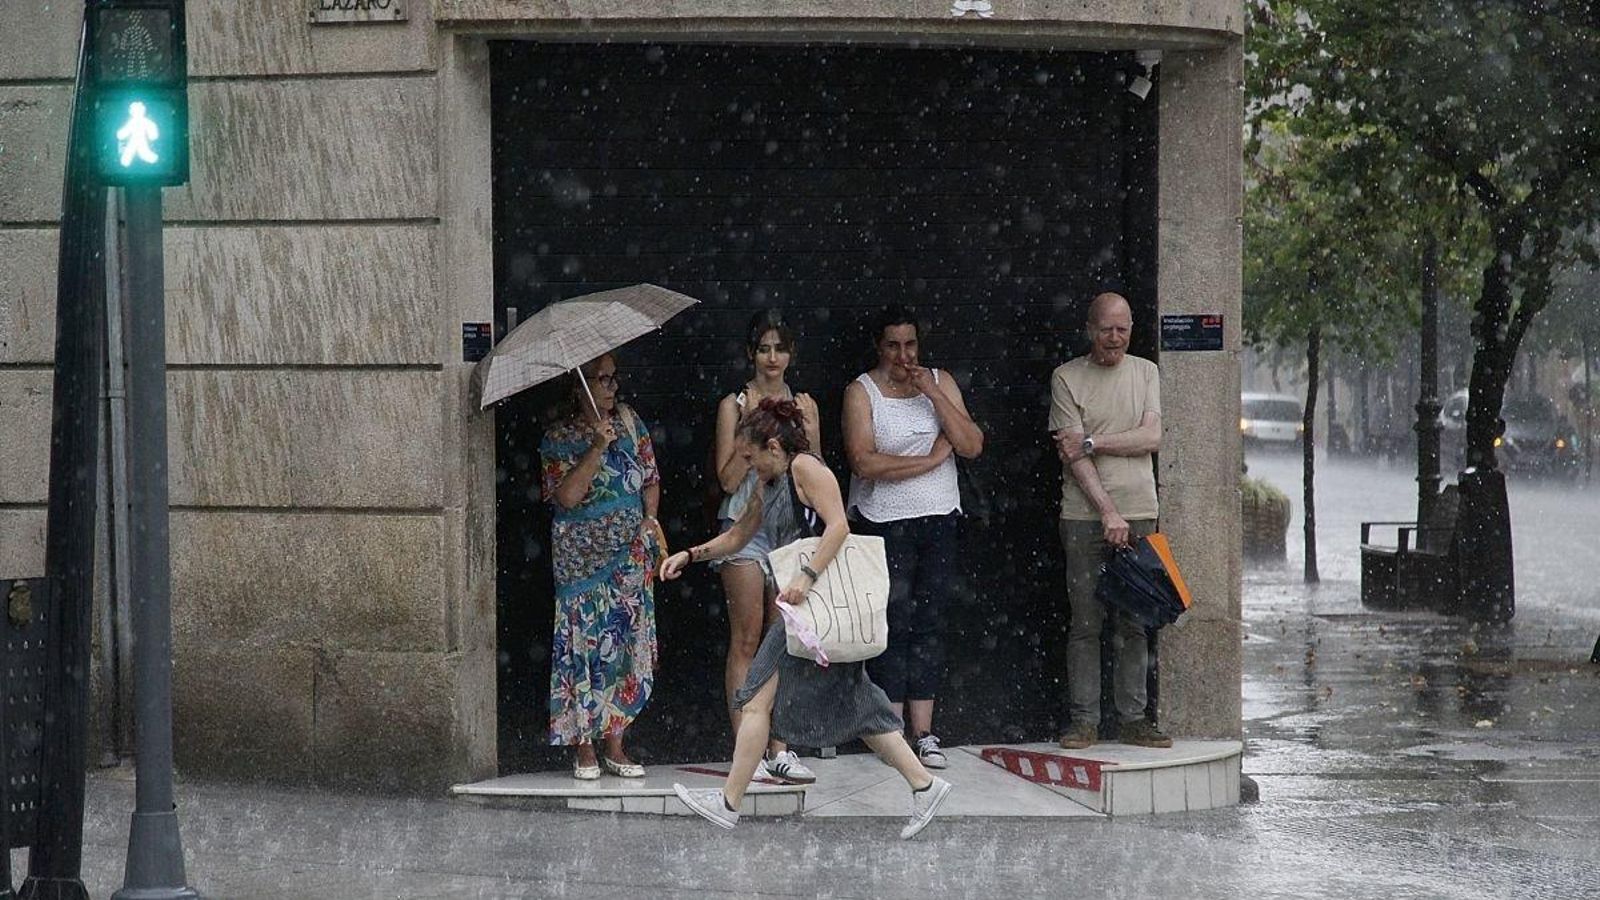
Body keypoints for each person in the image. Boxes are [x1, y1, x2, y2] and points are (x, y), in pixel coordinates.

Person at [661, 399, 953, 840]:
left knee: (756, 699)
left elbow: (838, 526)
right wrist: (690, 554)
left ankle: (728, 803)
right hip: (804, 612)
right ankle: (925, 785)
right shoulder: (769, 483)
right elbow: (738, 535)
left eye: (751, 456)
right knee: (858, 705)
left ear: (773, 446)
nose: (748, 465)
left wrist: (806, 576)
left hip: (812, 607)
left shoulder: (806, 468)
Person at [842, 305, 984, 770]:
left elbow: (971, 444)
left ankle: (923, 731)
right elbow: (865, 462)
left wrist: (933, 394)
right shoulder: (861, 392)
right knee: (891, 622)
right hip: (884, 520)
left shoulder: (939, 382)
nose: (903, 356)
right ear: (878, 348)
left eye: (910, 345)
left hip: (938, 516)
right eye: (893, 346)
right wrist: (929, 461)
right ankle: (890, 730)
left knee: (929, 621)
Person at [1048, 292, 1172, 749]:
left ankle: (1133, 720)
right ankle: (1085, 722)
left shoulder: (1147, 372)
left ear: (1132, 329)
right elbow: (1071, 455)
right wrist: (1107, 512)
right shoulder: (1067, 377)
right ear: (1090, 329)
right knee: (1086, 622)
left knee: (1135, 621)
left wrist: (1094, 441)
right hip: (1084, 516)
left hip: (1140, 512)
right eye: (1106, 329)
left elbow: (1152, 437)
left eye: (1122, 329)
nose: (1114, 338)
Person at [708, 310, 821, 785]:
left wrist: (804, 431)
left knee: (785, 639)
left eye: (780, 348)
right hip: (744, 523)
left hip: (789, 528)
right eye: (764, 348)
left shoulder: (805, 404)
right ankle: (746, 750)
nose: (772, 358)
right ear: (750, 353)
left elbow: (814, 471)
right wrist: (749, 428)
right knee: (747, 638)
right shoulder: (733, 404)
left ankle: (780, 746)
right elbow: (727, 478)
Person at [540, 353, 664, 779]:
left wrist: (649, 521)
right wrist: (596, 447)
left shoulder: (631, 422)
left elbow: (651, 479)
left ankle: (616, 743)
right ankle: (584, 746)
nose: (612, 387)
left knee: (624, 645)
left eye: (614, 378)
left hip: (628, 557)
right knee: (585, 647)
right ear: (580, 387)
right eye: (602, 379)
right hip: (581, 565)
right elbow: (567, 497)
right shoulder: (558, 437)